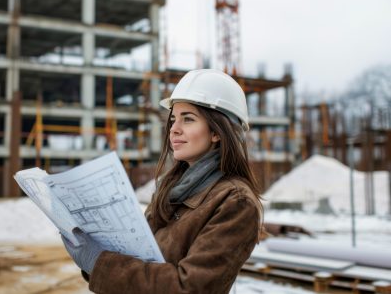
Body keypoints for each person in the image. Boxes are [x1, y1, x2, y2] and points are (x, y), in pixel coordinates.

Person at [61, 69, 263, 294]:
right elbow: (139, 258)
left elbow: (189, 288)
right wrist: (97, 250)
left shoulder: (235, 202)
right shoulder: (171, 189)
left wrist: (99, 264)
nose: (174, 129)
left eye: (188, 119)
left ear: (217, 132)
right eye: (174, 119)